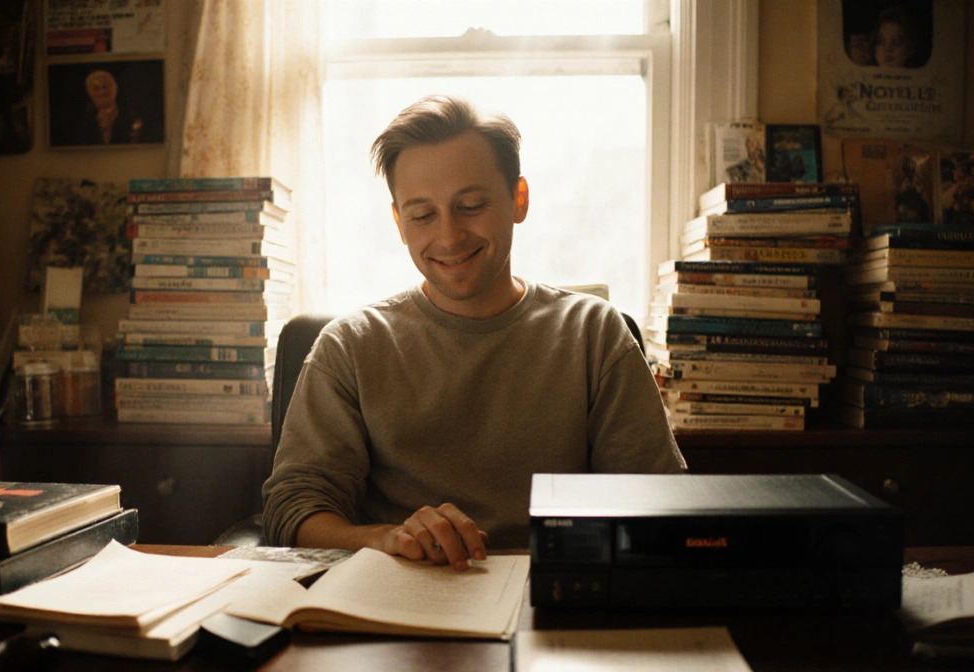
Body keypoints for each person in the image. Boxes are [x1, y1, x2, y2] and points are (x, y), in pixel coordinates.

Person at [261, 95, 686, 571]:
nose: (449, 236)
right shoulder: (351, 345)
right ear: (400, 222)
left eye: (471, 205)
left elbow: (658, 500)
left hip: (554, 593)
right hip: (396, 604)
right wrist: (386, 539)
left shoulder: (594, 334)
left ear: (518, 199)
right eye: (422, 215)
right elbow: (292, 510)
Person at [67, 70, 148, 145]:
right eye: (95, 88)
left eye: (105, 87)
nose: (101, 92)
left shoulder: (132, 117)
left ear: (115, 88)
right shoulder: (83, 122)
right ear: (89, 92)